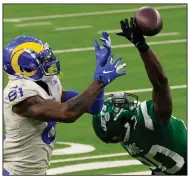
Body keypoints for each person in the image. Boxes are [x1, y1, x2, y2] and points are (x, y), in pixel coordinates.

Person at [3, 32, 126, 175]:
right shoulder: (21, 94)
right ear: (26, 68)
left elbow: (93, 107)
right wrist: (99, 81)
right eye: (42, 60)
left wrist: (99, 78)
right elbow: (67, 113)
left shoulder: (46, 82)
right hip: (14, 171)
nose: (49, 62)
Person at [92, 18, 187, 175]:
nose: (122, 100)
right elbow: (161, 83)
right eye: (119, 105)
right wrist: (141, 46)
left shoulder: (127, 141)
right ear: (122, 118)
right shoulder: (148, 123)